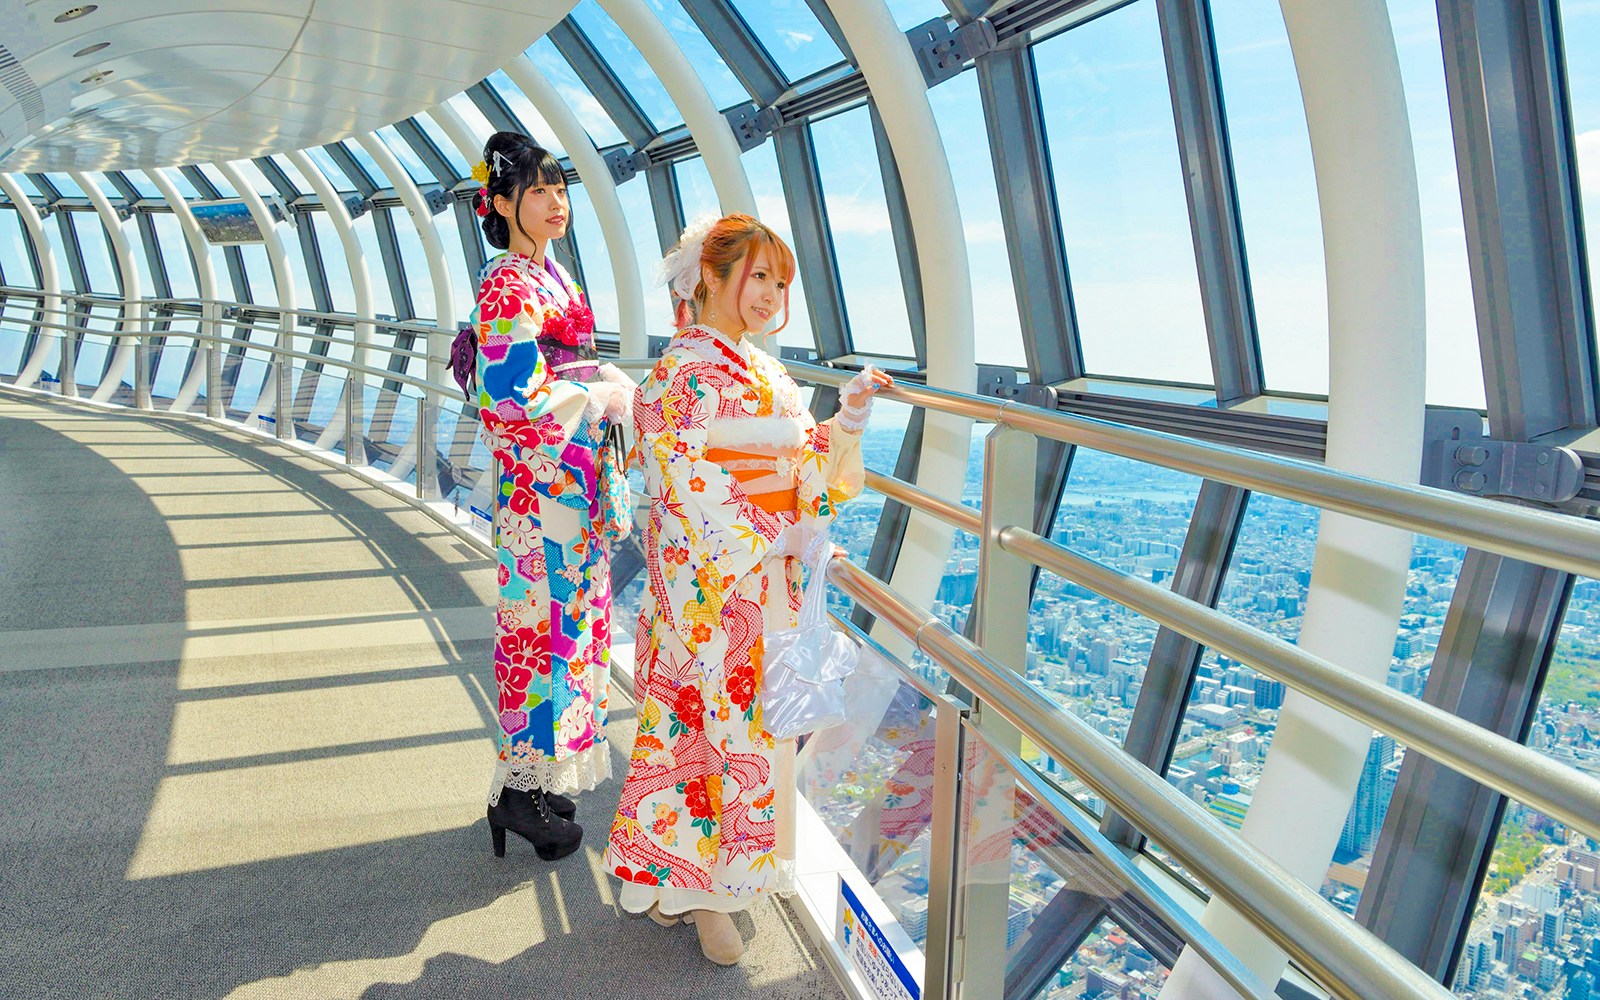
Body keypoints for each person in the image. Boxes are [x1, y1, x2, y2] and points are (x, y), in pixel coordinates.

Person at [604, 214, 892, 963]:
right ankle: (705, 895)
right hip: (713, 588)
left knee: (750, 737)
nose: (770, 294)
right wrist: (768, 534)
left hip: (766, 580)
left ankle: (704, 880)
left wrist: (848, 421)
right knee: (711, 736)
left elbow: (808, 467)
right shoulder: (677, 376)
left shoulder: (767, 374)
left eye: (780, 282)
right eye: (757, 276)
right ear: (709, 276)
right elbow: (683, 480)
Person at [469, 131, 634, 862]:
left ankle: (535, 783)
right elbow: (511, 393)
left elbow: (556, 373)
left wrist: (595, 389)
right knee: (539, 636)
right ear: (501, 203)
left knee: (571, 632)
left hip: (569, 482)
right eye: (536, 191)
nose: (554, 203)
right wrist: (594, 395)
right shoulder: (507, 285)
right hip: (540, 494)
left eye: (559, 189)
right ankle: (518, 794)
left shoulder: (551, 278)